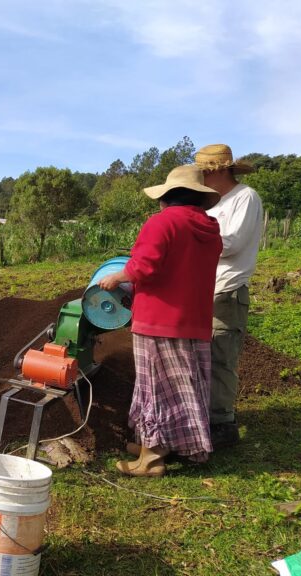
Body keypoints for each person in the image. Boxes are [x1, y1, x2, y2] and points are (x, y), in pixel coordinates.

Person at [98, 165, 223, 477]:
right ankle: (160, 443)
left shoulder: (163, 223)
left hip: (159, 320)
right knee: (181, 387)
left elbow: (143, 266)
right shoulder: (209, 228)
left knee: (155, 388)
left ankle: (151, 459)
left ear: (168, 196)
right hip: (194, 320)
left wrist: (116, 277)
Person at [195, 144, 263, 449]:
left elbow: (231, 243)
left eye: (205, 173)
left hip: (226, 289)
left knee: (221, 356)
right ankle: (202, 416)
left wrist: (190, 234)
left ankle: (222, 423)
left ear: (220, 170)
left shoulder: (245, 198)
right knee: (200, 356)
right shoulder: (209, 203)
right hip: (200, 290)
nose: (202, 179)